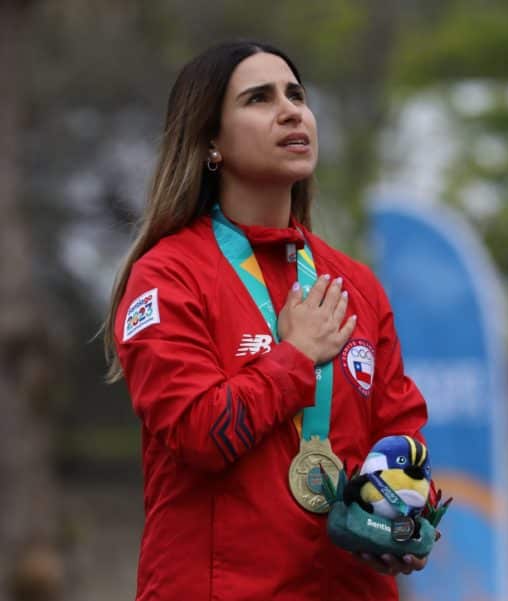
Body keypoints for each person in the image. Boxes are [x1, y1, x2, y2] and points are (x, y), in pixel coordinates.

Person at [103, 41, 433, 600]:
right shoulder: (167, 277)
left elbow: (400, 426)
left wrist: (400, 499)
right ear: (211, 143)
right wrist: (296, 358)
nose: (291, 111)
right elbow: (197, 433)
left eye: (297, 95)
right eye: (259, 99)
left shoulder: (356, 284)